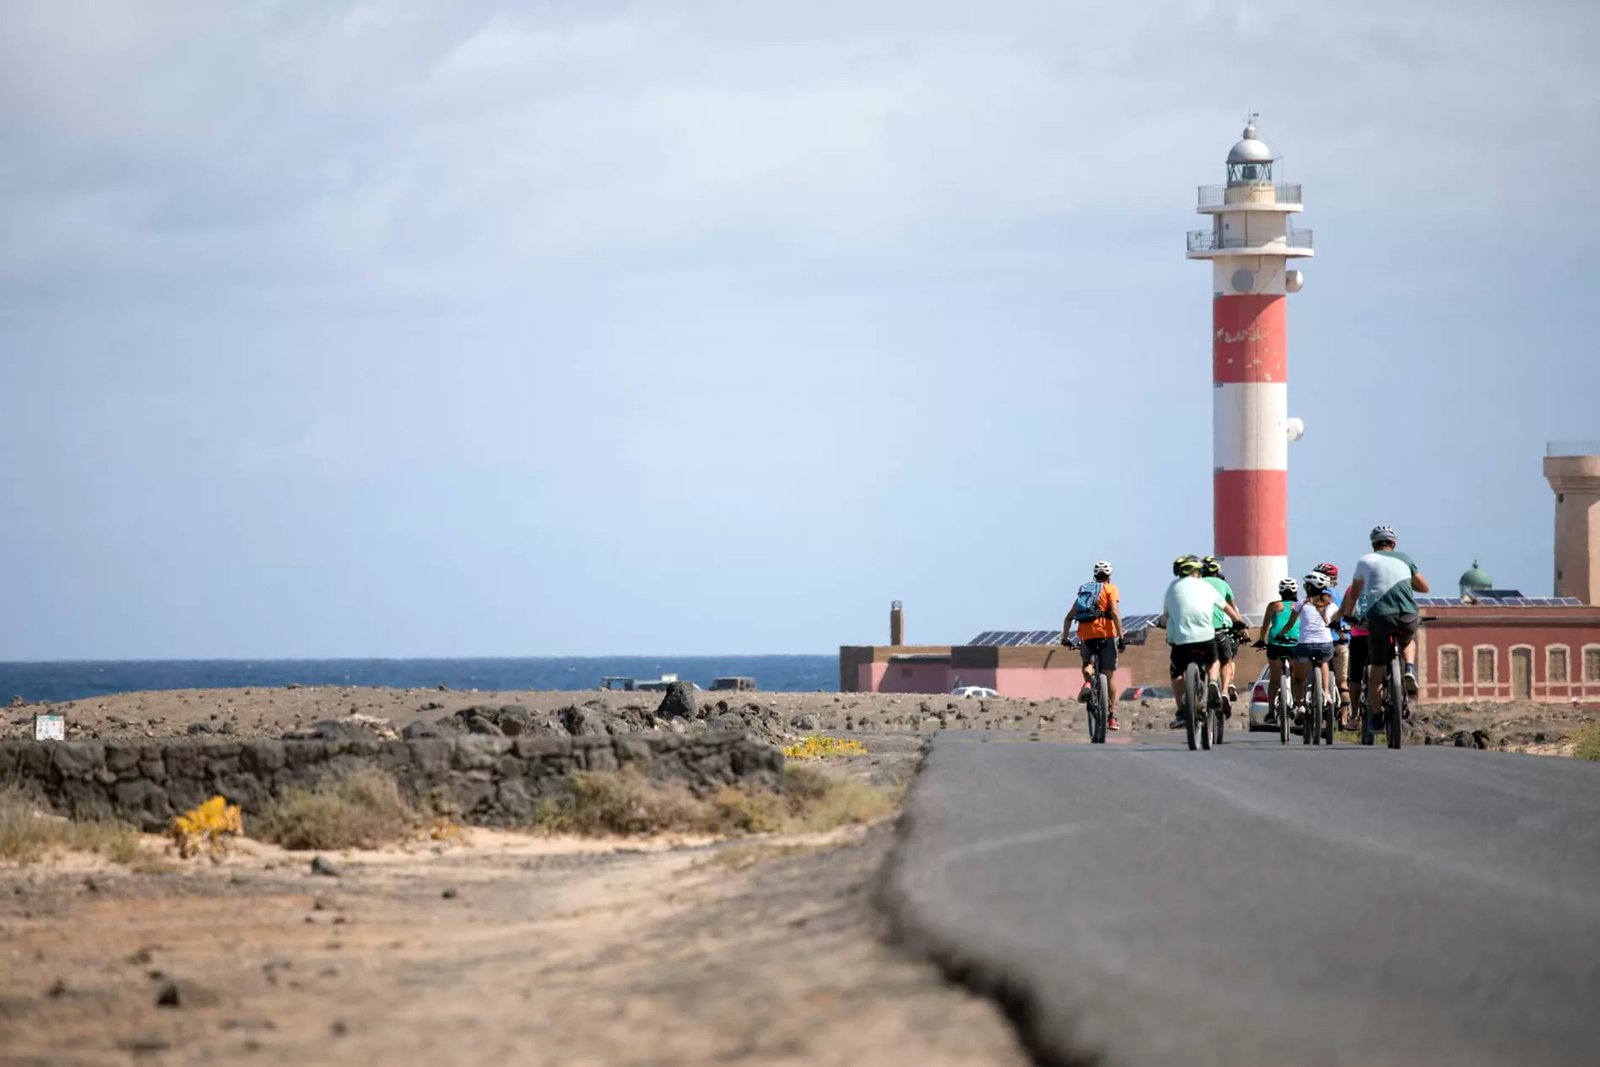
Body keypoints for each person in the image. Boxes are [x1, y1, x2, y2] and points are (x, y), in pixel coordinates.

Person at [1342, 524, 1431, 718]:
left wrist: (1348, 615)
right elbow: (1424, 587)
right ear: (1394, 543)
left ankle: (1375, 717)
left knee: (1377, 668)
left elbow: (1354, 593)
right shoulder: (1406, 559)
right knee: (1408, 640)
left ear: (1373, 544)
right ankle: (1409, 668)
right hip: (1407, 614)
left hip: (1380, 617)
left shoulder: (1365, 561)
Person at [1157, 555, 1246, 727]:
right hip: (1206, 637)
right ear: (1197, 571)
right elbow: (1227, 607)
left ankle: (1182, 711)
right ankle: (1213, 682)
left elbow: (1165, 617)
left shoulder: (1172, 588)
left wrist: (1160, 624)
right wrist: (1238, 623)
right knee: (1213, 661)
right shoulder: (1206, 587)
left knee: (1176, 674)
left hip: (1182, 642)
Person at [1062, 560, 1124, 731]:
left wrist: (1065, 638)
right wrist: (1122, 637)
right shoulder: (1111, 589)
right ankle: (1111, 716)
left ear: (1095, 575)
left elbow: (1068, 617)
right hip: (1106, 634)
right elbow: (1114, 612)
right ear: (1109, 576)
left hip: (1086, 635)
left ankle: (1088, 682)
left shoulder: (1084, 591)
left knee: (1087, 663)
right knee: (1109, 675)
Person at [1290, 572, 1339, 727]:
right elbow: (1334, 624)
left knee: (1298, 679)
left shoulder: (1302, 604)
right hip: (1325, 645)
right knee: (1323, 661)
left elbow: (1291, 623)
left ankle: (1301, 706)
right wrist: (1343, 636)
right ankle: (1325, 693)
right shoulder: (1332, 605)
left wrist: (1281, 633)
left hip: (1304, 645)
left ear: (1309, 588)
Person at [1256, 577, 1302, 725]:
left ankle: (1270, 711)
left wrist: (1261, 640)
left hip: (1276, 643)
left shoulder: (1273, 605)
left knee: (1275, 678)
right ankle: (1297, 703)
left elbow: (1264, 627)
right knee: (1297, 677)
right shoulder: (1299, 606)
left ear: (1280, 592)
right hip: (1295, 643)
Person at [1312, 561, 1353, 726]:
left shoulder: (1314, 597)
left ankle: (1311, 702)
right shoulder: (1339, 596)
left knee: (1311, 675)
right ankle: (1344, 716)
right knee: (1343, 682)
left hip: (1320, 641)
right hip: (1340, 642)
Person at [1200, 556, 1241, 703]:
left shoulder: (1197, 584)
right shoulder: (1224, 585)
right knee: (1226, 660)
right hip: (1220, 631)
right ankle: (1224, 689)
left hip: (1198, 632)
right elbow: (1233, 609)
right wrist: (1242, 627)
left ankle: (1195, 689)